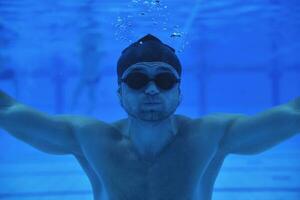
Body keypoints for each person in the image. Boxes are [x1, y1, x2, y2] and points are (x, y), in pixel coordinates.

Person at [0, 34, 299, 200]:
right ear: (119, 92)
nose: (152, 90)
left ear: (180, 92)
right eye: (138, 79)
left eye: (166, 81)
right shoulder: (92, 140)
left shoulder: (209, 137)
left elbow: (293, 114)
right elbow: (7, 110)